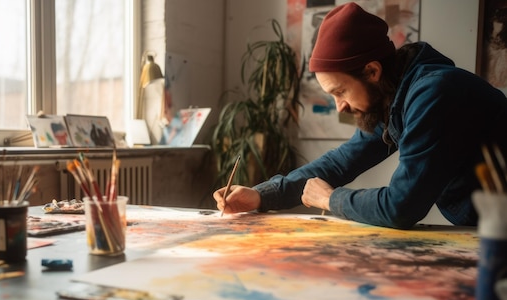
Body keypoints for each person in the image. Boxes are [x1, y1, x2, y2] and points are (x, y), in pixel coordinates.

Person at [214, 2, 507, 229]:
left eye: (340, 91)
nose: (339, 106)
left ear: (372, 71)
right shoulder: (392, 94)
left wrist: (330, 199)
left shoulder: (433, 94)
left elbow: (401, 207)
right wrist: (261, 195)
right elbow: (341, 162)